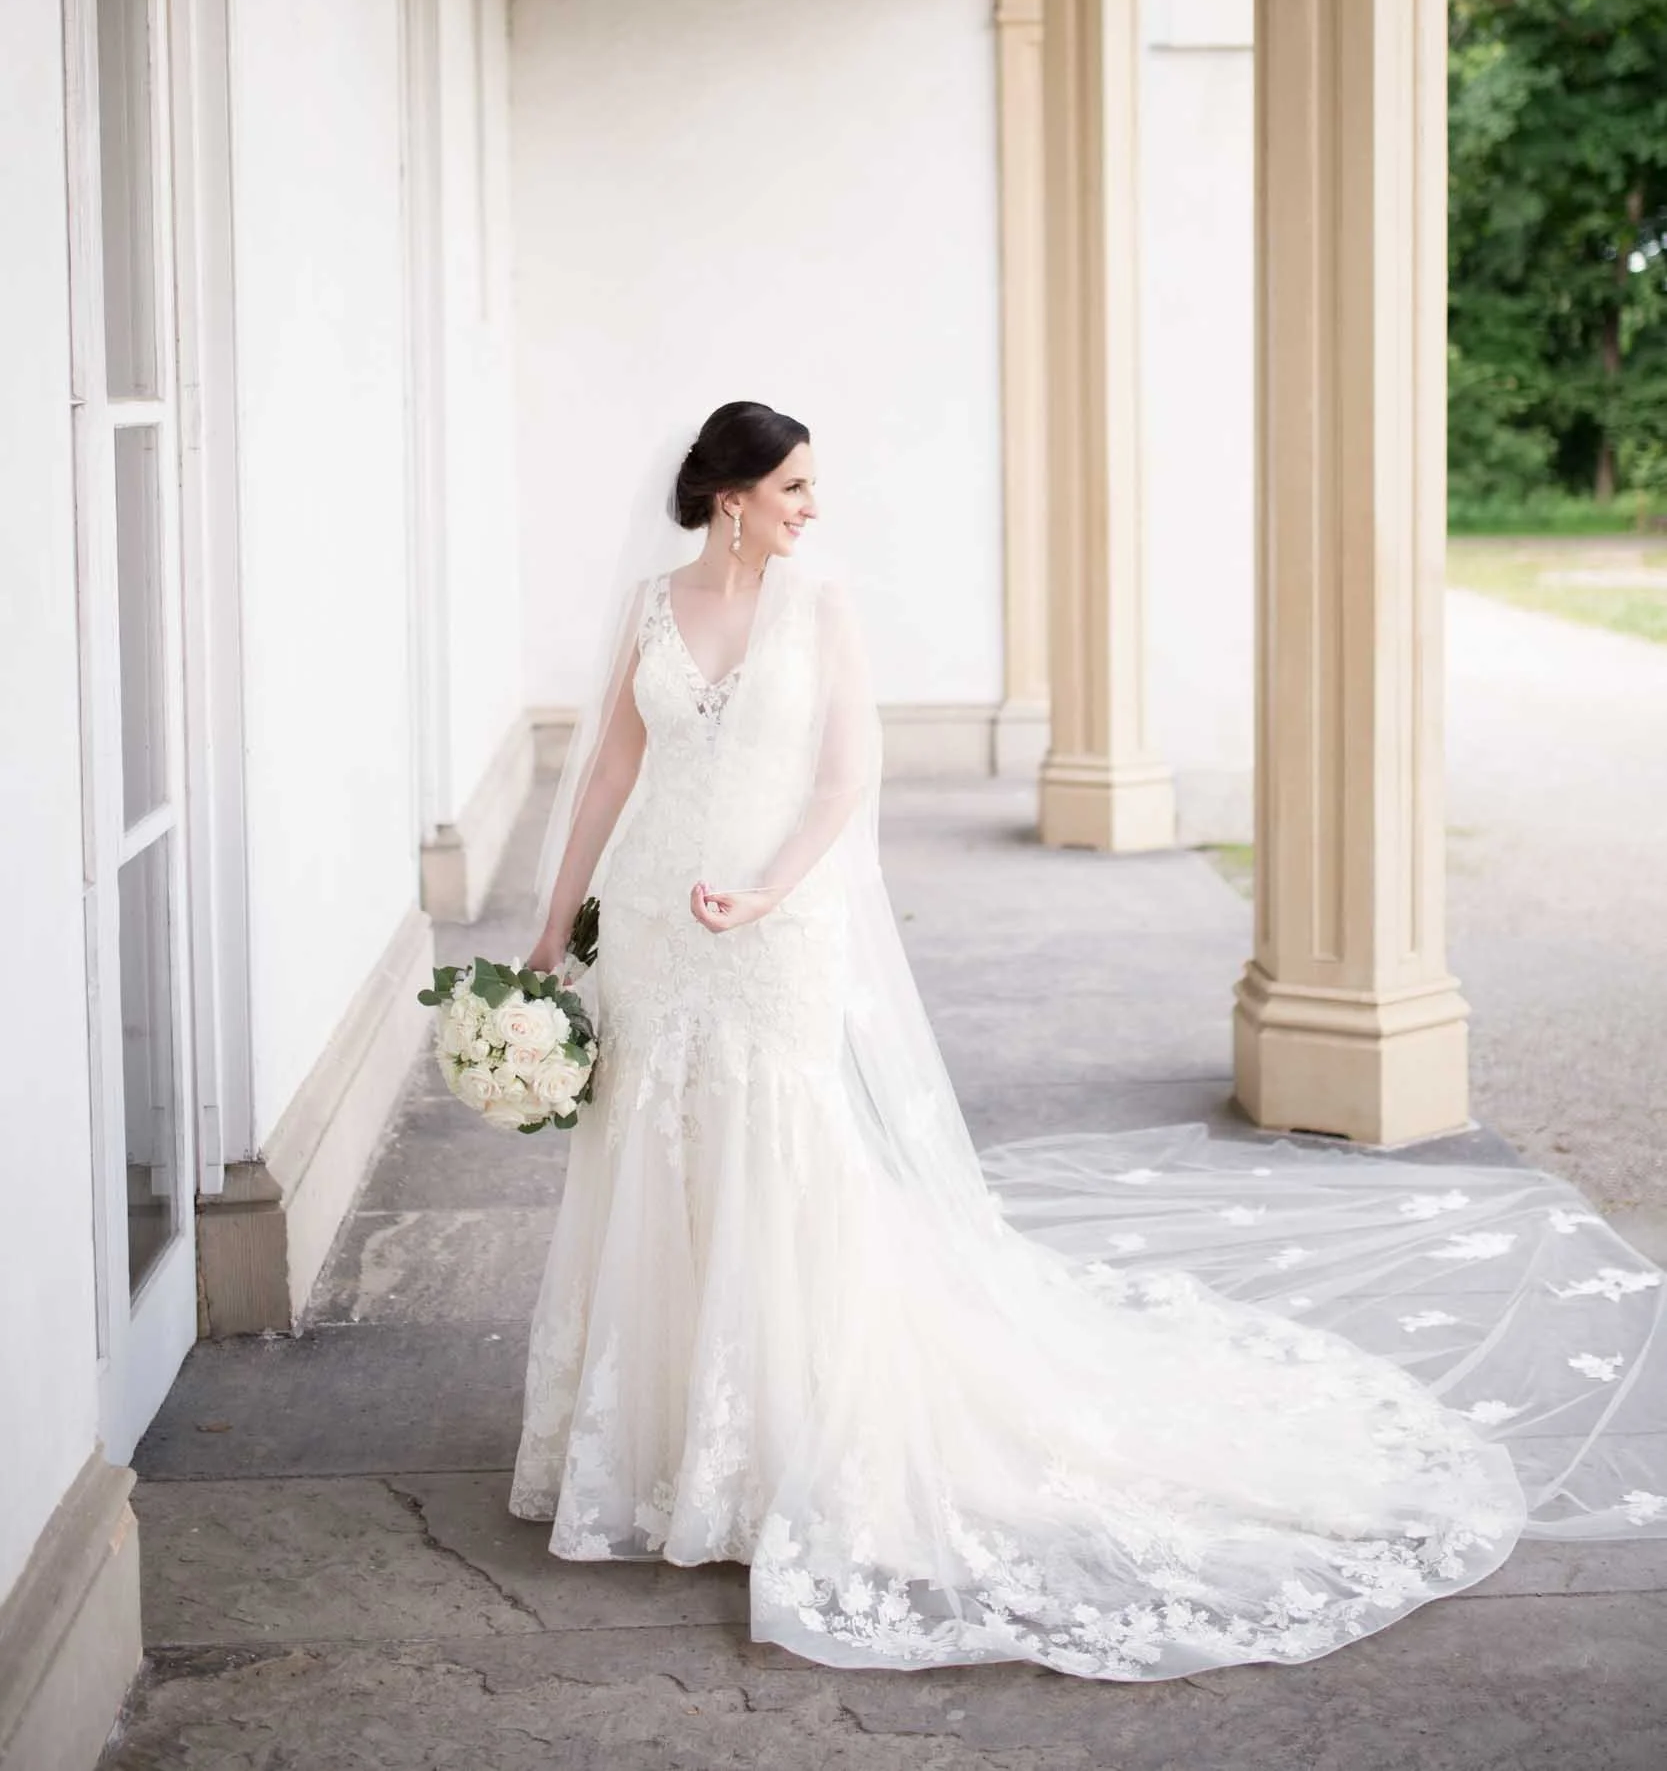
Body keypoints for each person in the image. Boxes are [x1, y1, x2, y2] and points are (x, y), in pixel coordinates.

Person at [508, 400, 1666, 1679]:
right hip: (665, 925)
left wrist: (771, 892)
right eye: (792, 487)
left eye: (810, 487)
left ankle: (779, 1437)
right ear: (730, 495)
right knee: (660, 1155)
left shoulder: (818, 613)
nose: (811, 508)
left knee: (781, 1157)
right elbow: (613, 770)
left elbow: (845, 781)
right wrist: (553, 930)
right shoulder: (650, 611)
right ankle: (667, 1446)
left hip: (771, 926)